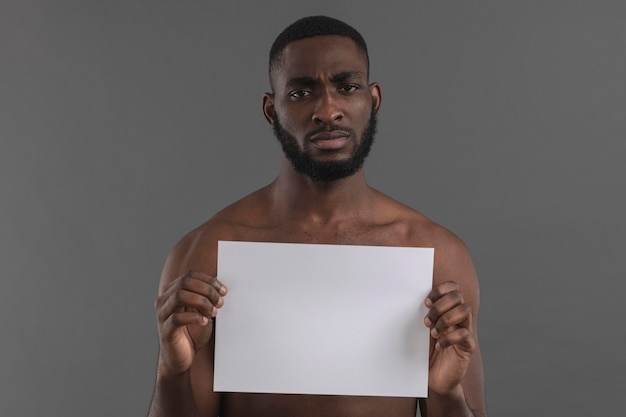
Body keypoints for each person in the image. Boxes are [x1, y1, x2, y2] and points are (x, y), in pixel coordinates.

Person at [149, 15, 487, 417]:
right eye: (301, 92)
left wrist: (445, 392)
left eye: (346, 87)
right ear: (271, 110)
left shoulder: (435, 253)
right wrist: (172, 370)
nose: (328, 110)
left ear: (373, 101)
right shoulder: (208, 252)